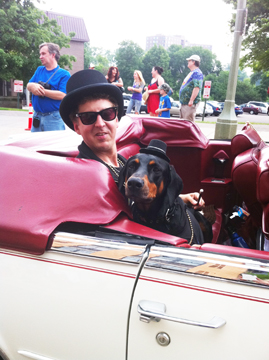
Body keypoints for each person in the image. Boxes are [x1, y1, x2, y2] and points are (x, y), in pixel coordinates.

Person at [59, 69, 204, 209]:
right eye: (88, 117)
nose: (100, 123)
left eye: (107, 114)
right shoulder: (88, 176)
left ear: (116, 118)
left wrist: (180, 198)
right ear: (77, 127)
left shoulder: (122, 162)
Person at [27, 42, 71, 132]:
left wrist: (40, 90)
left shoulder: (64, 74)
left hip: (53, 118)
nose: (40, 57)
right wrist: (33, 86)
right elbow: (28, 85)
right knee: (36, 145)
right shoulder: (39, 70)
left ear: (53, 55)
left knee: (54, 145)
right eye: (40, 54)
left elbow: (63, 95)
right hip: (37, 116)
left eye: (43, 54)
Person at [179, 55, 203, 122]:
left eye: (189, 61)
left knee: (188, 123)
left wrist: (191, 100)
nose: (188, 62)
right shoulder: (192, 72)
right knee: (183, 123)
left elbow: (197, 87)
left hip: (189, 103)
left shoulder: (197, 73)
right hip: (185, 102)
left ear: (193, 62)